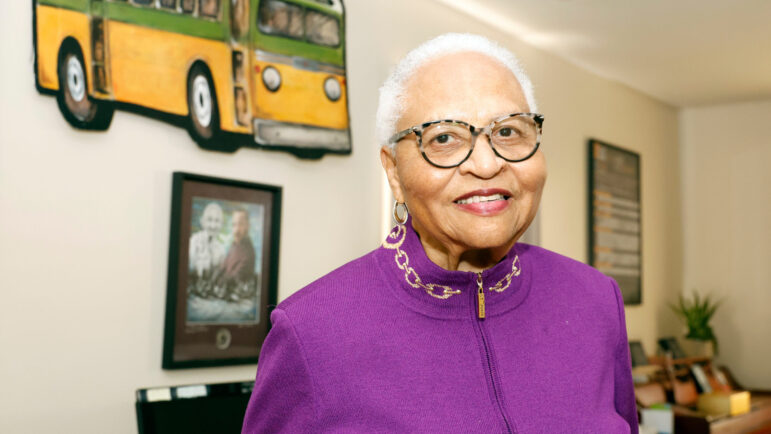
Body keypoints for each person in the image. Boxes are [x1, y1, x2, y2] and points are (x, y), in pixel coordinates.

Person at [242, 33, 637, 433]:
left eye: (507, 132)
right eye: (444, 138)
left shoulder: (595, 300)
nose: (487, 165)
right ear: (394, 172)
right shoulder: (312, 331)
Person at [188, 202, 225, 278]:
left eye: (217, 221)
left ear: (221, 224)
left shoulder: (221, 250)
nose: (213, 226)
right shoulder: (193, 242)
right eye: (209, 220)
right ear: (202, 222)